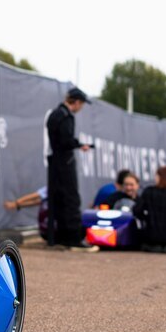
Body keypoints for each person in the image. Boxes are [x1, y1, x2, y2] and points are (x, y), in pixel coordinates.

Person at [46, 86, 97, 251]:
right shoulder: (66, 116)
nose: (80, 108)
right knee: (71, 199)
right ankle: (73, 239)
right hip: (64, 162)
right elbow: (66, 140)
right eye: (81, 104)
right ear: (75, 102)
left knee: (58, 199)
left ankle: (58, 238)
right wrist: (79, 145)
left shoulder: (55, 114)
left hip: (55, 162)